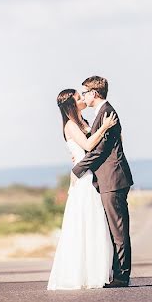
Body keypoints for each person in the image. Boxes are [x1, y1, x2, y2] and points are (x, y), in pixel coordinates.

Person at [46, 88, 118, 290]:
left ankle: (95, 271)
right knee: (85, 223)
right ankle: (82, 273)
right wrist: (104, 128)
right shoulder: (70, 125)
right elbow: (87, 143)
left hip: (89, 175)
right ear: (71, 104)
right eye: (78, 98)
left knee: (94, 224)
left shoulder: (82, 122)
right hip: (84, 178)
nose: (82, 99)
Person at [71, 76, 134, 288]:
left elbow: (100, 150)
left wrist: (78, 169)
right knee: (113, 228)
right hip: (108, 178)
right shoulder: (101, 113)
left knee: (118, 229)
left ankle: (122, 276)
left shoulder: (107, 112)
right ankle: (116, 273)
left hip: (113, 178)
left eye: (85, 93)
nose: (84, 96)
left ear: (94, 93)